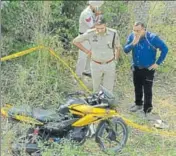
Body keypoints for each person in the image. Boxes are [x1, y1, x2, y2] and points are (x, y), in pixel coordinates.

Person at [123, 21, 168, 116]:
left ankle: (147, 110)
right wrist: (133, 43)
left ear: (144, 29)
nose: (136, 32)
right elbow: (126, 50)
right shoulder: (132, 36)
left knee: (147, 90)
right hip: (136, 67)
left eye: (138, 31)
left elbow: (165, 49)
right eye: (134, 30)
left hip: (148, 69)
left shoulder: (152, 38)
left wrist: (157, 63)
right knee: (137, 87)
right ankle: (138, 104)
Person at [73, 16, 121, 94]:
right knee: (96, 88)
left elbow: (118, 47)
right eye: (97, 28)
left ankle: (107, 104)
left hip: (109, 64)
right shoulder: (90, 33)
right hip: (96, 64)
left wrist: (116, 60)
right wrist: (86, 51)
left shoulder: (113, 33)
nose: (99, 30)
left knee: (108, 90)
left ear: (105, 25)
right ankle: (98, 104)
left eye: (102, 28)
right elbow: (75, 41)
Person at [75, 1, 104, 78]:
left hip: (90, 36)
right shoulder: (86, 14)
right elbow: (92, 26)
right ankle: (78, 75)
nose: (98, 7)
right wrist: (99, 18)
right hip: (84, 37)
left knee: (90, 55)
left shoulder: (92, 12)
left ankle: (87, 71)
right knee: (82, 57)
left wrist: (98, 16)